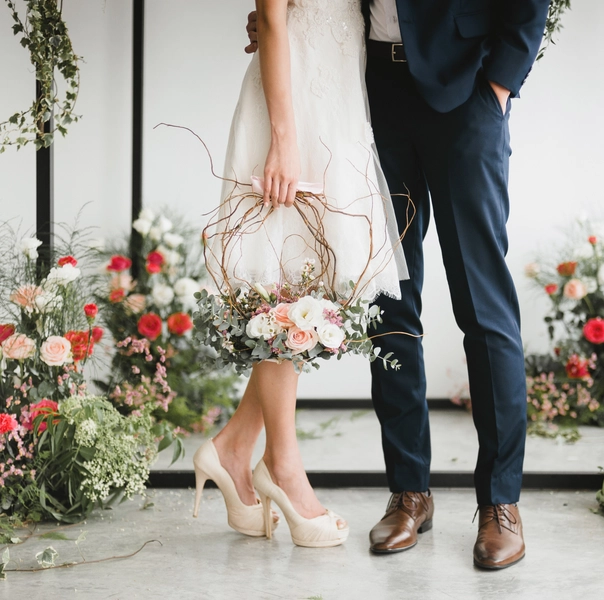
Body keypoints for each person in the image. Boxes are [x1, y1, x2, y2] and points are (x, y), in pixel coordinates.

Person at [246, 0, 550, 569]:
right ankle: (409, 491)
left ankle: (501, 502)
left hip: (468, 88)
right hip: (376, 92)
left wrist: (498, 87)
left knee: (483, 306)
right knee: (390, 302)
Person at [192, 0, 406, 549]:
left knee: (303, 290)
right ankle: (282, 467)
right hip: (291, 111)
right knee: (281, 287)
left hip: (337, 100)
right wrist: (284, 141)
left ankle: (234, 447)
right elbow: (273, 16)